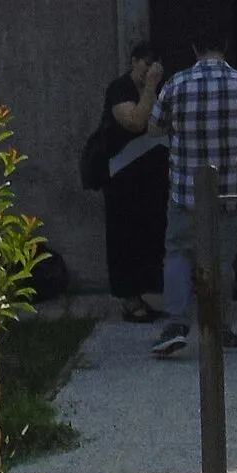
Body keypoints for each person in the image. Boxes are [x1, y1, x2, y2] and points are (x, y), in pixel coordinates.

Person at [146, 28, 237, 360]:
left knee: (178, 254)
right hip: (230, 191)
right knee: (222, 262)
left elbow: (154, 127)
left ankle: (176, 324)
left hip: (185, 189)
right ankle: (219, 327)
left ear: (194, 48)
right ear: (226, 48)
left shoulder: (176, 84)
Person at [98, 44, 167, 322]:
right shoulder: (120, 89)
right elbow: (136, 121)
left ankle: (144, 295)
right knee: (124, 238)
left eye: (154, 68)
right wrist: (150, 85)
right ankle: (128, 299)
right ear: (133, 62)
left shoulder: (155, 92)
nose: (148, 72)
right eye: (144, 65)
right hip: (122, 178)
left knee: (147, 237)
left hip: (149, 180)